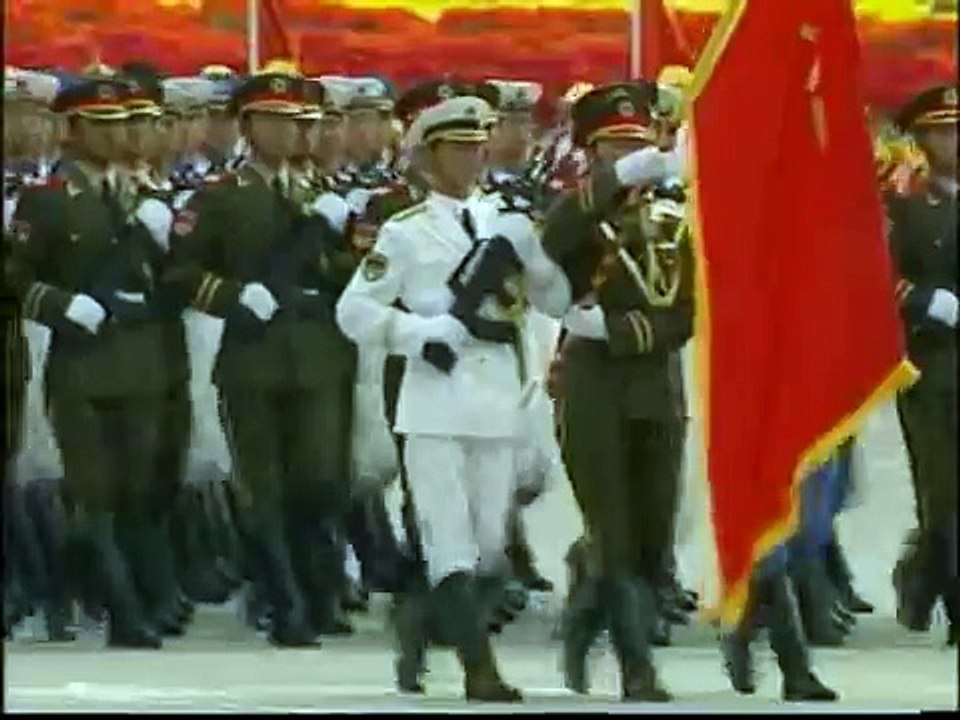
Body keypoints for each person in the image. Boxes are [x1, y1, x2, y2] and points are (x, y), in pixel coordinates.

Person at [336, 92, 575, 702]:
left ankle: (416, 617)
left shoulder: (507, 221)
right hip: (435, 402)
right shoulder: (405, 231)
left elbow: (551, 297)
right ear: (427, 157)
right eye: (457, 149)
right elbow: (353, 311)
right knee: (449, 541)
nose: (472, 159)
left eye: (477, 147)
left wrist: (545, 264)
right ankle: (479, 670)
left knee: (489, 548)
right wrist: (417, 333)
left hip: (498, 397)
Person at [165, 70, 356, 647]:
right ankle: (284, 600)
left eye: (299, 123)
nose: (293, 133)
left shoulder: (328, 195)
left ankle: (318, 587)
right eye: (277, 121)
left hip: (319, 353)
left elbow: (362, 269)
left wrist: (332, 258)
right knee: (263, 487)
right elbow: (179, 272)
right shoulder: (221, 196)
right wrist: (231, 296)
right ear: (248, 126)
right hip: (254, 357)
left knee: (319, 480)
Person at [5, 74, 175, 649]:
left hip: (141, 361)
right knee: (93, 491)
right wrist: (60, 306)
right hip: (82, 364)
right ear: (71, 130)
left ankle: (77, 587)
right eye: (100, 127)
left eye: (120, 125)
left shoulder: (141, 196)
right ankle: (126, 612)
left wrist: (165, 244)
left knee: (136, 491)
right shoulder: (48, 199)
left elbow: (170, 280)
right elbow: (15, 278)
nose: (115, 137)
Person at [540, 81, 688, 702]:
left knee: (654, 534)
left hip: (656, 383)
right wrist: (614, 182)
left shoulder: (672, 217)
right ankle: (636, 669)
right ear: (592, 150)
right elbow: (552, 239)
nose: (631, 155)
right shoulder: (577, 210)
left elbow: (688, 309)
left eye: (638, 145)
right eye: (616, 147)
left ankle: (583, 614)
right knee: (613, 529)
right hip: (592, 385)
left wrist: (625, 331)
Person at [886, 85, 958, 646]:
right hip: (929, 364)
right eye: (941, 132)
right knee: (940, 494)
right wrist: (922, 300)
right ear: (921, 138)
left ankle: (926, 578)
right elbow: (873, 270)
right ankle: (938, 587)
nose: (951, 142)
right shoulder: (901, 200)